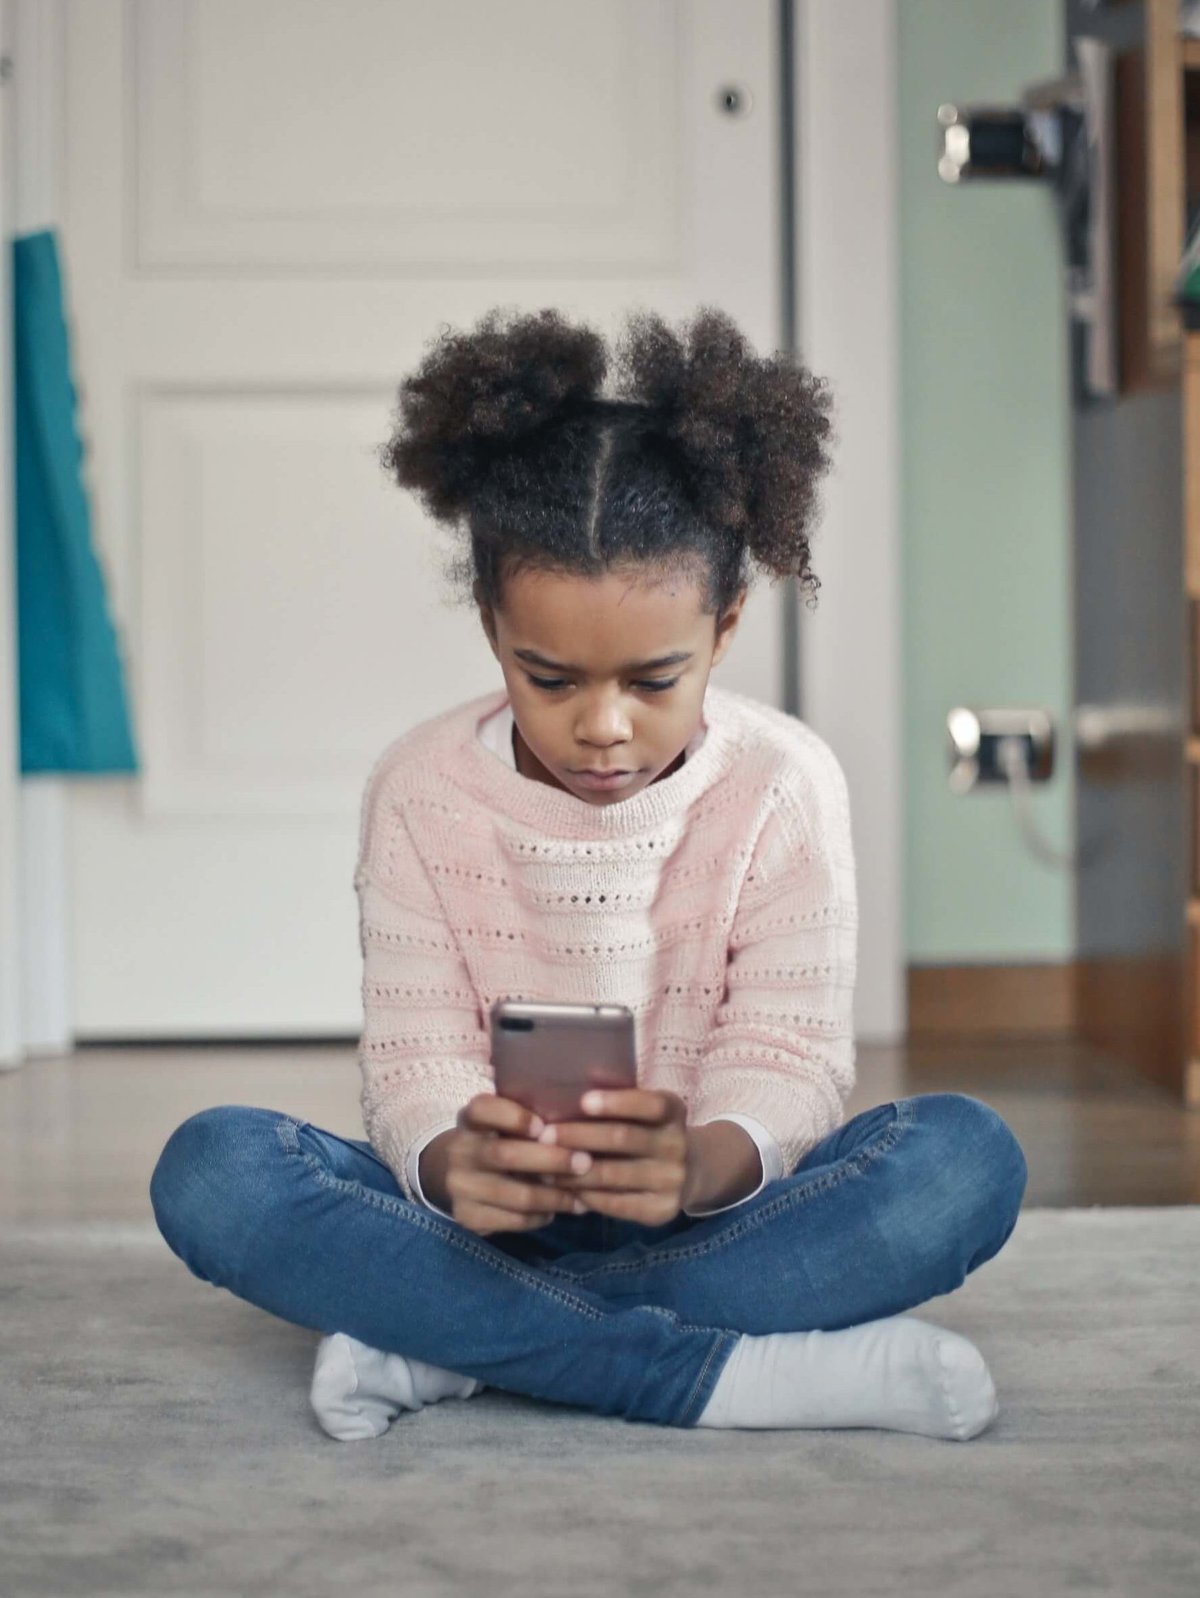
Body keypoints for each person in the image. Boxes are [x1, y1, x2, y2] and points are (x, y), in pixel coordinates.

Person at [149, 305, 1027, 1443]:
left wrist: (698, 1166)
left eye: (653, 679)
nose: (602, 727)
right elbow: (414, 1056)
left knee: (964, 1164)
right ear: (490, 629)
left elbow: (792, 1059)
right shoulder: (420, 788)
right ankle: (726, 1374)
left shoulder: (784, 783)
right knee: (214, 1170)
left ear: (724, 625)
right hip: (482, 1224)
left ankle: (452, 1344)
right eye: (549, 678)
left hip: (713, 1216)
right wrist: (452, 1158)